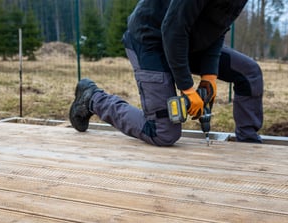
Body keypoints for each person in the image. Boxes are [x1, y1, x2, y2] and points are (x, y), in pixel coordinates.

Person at [69, 0, 263, 146]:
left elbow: (217, 28)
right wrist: (187, 88)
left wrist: (209, 75)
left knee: (249, 73)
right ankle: (92, 98)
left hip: (186, 42)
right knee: (162, 132)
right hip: (151, 42)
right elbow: (172, 30)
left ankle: (249, 143)